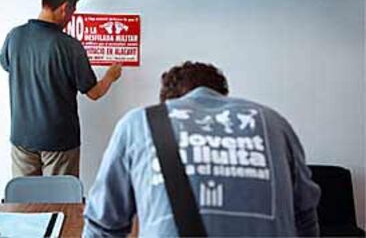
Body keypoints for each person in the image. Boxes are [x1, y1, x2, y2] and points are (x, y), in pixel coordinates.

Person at [82, 61, 321, 237]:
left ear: (169, 103)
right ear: (222, 97)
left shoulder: (140, 123)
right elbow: (305, 216)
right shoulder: (273, 122)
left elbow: (103, 225)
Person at [0, 0, 122, 178]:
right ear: (65, 8)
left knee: (23, 203)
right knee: (60, 202)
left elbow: (7, 65)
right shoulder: (69, 46)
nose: (71, 18)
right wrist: (110, 76)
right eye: (73, 12)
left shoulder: (15, 36)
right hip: (59, 142)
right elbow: (94, 93)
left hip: (21, 138)